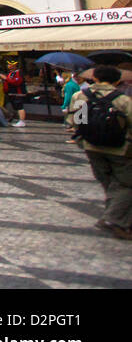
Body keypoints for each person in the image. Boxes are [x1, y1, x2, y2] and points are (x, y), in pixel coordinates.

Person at [66, 66, 132, 240]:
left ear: (94, 78)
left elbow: (76, 121)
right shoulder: (123, 99)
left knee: (108, 181)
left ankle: (118, 218)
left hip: (91, 146)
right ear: (117, 81)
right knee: (126, 184)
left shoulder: (80, 96)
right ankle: (114, 219)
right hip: (119, 148)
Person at [4, 61, 27, 127]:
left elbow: (17, 82)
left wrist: (6, 78)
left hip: (18, 93)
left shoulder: (18, 73)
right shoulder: (11, 73)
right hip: (12, 93)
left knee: (20, 107)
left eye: (9, 64)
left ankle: (22, 121)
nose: (8, 65)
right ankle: (15, 119)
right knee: (15, 107)